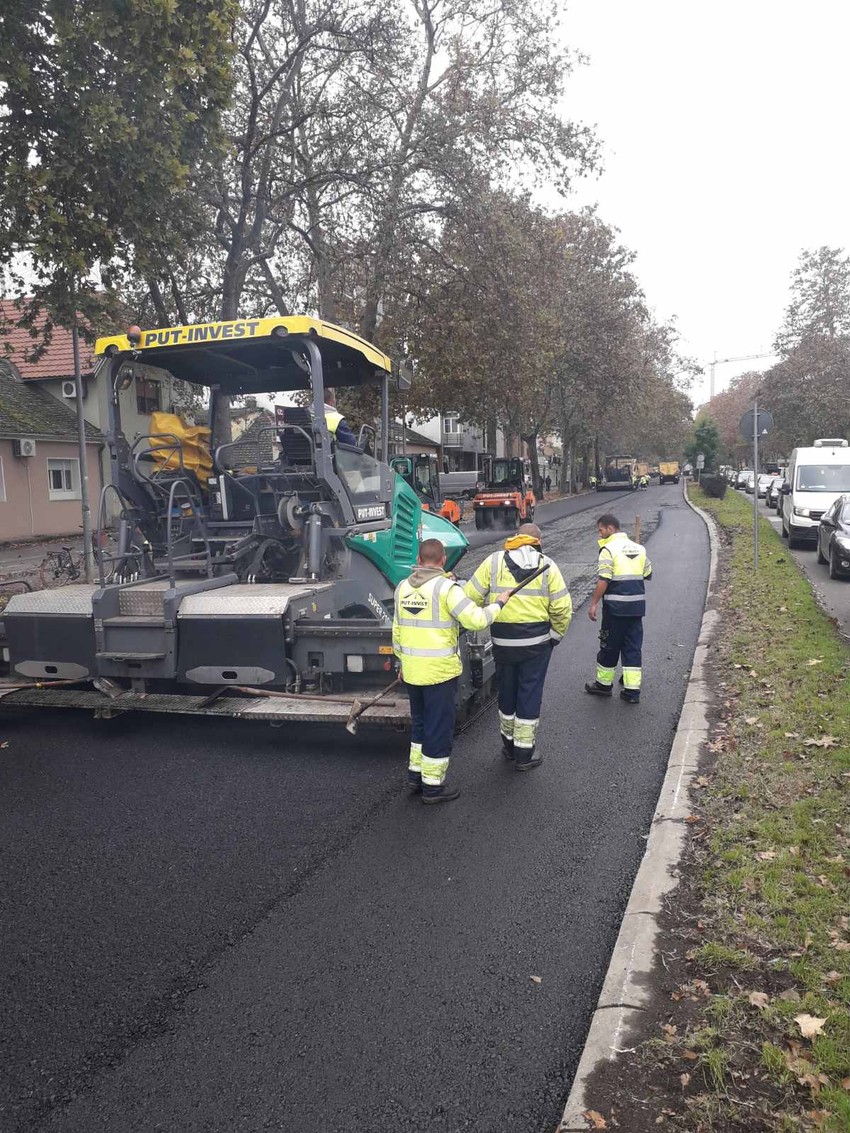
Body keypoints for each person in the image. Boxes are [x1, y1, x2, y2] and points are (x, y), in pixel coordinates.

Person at [393, 538, 510, 804]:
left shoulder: (402, 588)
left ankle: (416, 776)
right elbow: (477, 620)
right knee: (438, 727)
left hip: (412, 672)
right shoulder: (447, 590)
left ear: (419, 561)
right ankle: (433, 787)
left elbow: (397, 631)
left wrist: (401, 663)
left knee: (420, 724)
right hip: (439, 673)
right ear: (443, 561)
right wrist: (499, 603)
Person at [465, 523, 572, 768]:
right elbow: (562, 608)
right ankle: (524, 754)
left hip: (503, 642)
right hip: (536, 644)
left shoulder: (493, 562)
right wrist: (555, 635)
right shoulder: (548, 565)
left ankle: (508, 745)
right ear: (537, 541)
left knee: (507, 692)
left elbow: (469, 597)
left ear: (517, 538)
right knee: (529, 693)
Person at [584, 514, 652, 704]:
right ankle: (632, 692)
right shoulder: (640, 549)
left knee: (609, 646)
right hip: (636, 608)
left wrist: (594, 603)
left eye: (601, 530)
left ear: (611, 528)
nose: (599, 534)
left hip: (615, 609)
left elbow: (604, 580)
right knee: (632, 648)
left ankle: (604, 685)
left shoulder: (608, 549)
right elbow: (648, 573)